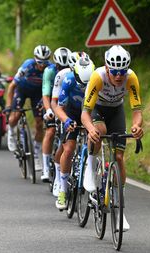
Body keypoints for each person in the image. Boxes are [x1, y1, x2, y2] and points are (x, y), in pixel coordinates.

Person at [81, 45, 143, 231]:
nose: (118, 76)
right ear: (107, 68)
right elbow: (85, 114)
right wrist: (90, 129)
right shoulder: (97, 77)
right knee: (99, 130)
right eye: (114, 72)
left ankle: (119, 208)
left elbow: (137, 111)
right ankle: (90, 168)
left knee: (119, 158)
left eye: (122, 72)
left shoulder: (131, 78)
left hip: (116, 111)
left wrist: (136, 126)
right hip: (97, 109)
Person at [54, 56, 95, 209]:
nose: (84, 87)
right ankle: (63, 190)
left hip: (89, 112)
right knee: (69, 149)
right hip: (71, 112)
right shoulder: (69, 80)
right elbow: (59, 107)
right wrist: (66, 121)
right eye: (81, 84)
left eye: (87, 84)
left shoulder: (97, 79)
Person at [5, 44, 53, 171]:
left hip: (38, 93)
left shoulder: (50, 68)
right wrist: (9, 106)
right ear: (35, 58)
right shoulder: (27, 66)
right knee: (15, 116)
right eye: (39, 62)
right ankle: (11, 132)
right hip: (22, 90)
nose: (42, 65)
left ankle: (36, 155)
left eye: (45, 62)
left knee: (39, 123)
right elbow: (11, 86)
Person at [50, 51, 88, 197]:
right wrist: (64, 120)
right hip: (67, 110)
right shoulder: (64, 76)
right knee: (67, 147)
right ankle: (60, 182)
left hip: (86, 111)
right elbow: (56, 102)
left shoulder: (91, 77)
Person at [40, 47, 71, 183]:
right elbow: (46, 94)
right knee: (51, 130)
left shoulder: (71, 72)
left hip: (65, 103)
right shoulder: (49, 71)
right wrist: (48, 110)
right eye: (60, 66)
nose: (63, 69)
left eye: (66, 66)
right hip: (51, 102)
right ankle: (46, 168)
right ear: (55, 64)